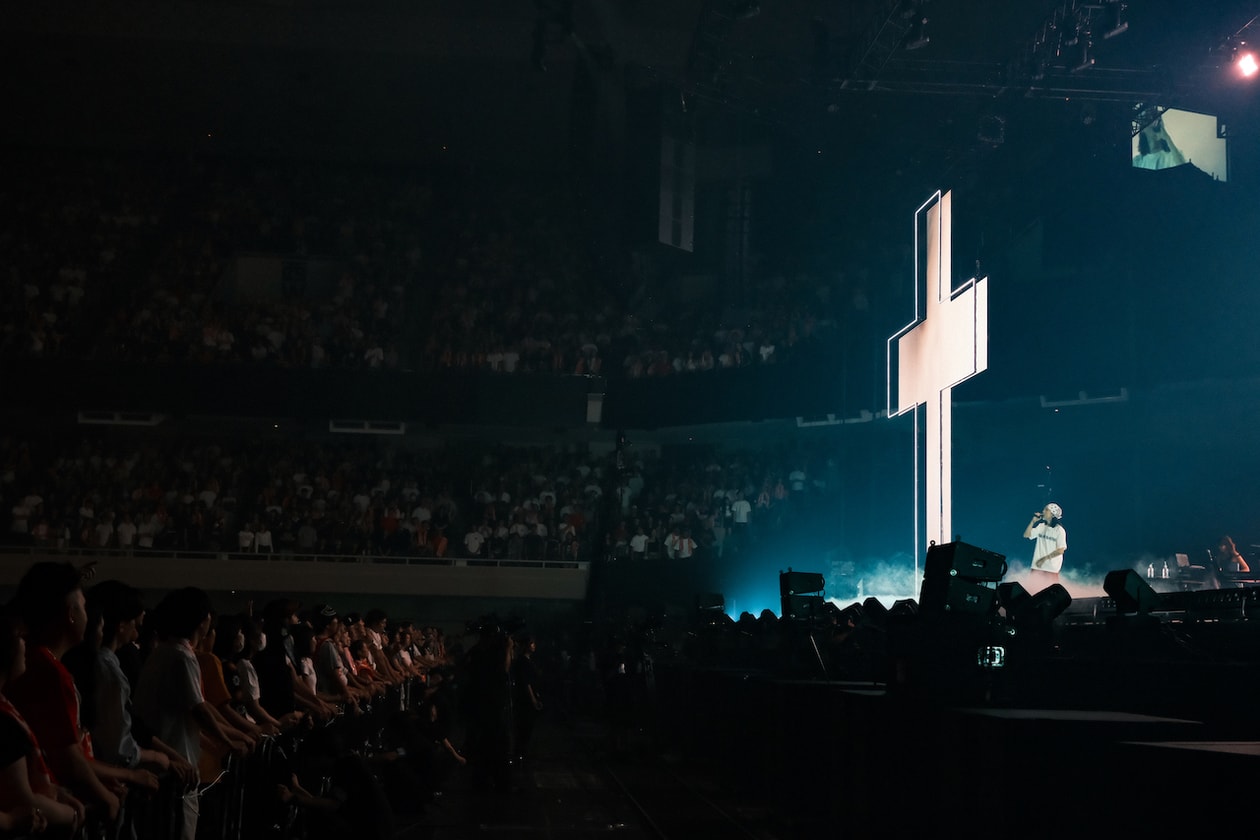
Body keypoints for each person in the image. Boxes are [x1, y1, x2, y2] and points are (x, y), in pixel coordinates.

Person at [1023, 503, 1067, 590]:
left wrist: (1044, 559)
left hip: (1051, 568)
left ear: (1052, 514)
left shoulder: (1059, 530)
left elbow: (1061, 550)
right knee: (1032, 591)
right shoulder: (1041, 526)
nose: (1043, 511)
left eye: (1046, 510)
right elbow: (1026, 535)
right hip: (1037, 566)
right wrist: (1033, 522)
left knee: (1050, 595)